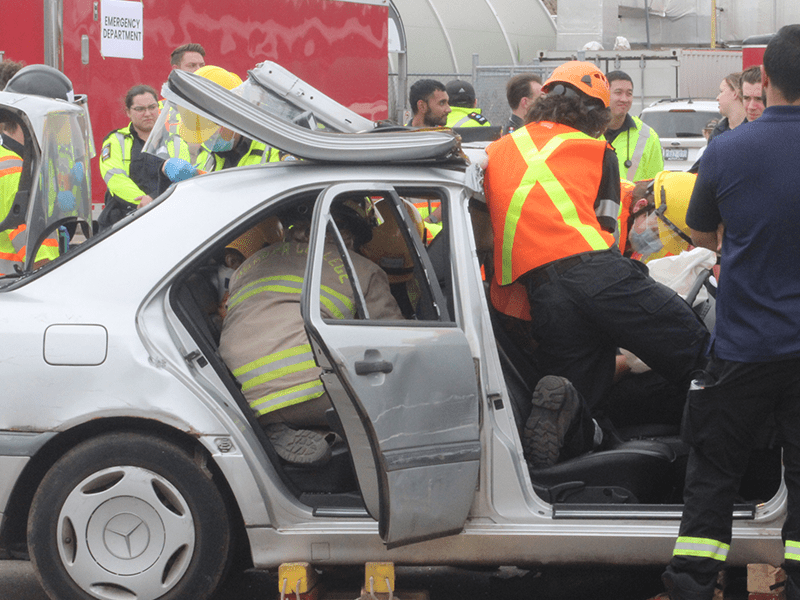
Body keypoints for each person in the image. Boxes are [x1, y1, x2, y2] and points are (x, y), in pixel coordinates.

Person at [483, 61, 708, 450]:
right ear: (595, 114)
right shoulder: (594, 149)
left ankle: (580, 443)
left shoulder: (496, 151)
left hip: (544, 297)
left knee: (583, 398)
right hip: (595, 274)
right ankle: (727, 451)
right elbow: (611, 222)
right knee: (698, 351)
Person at [662, 25, 800, 600]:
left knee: (715, 470)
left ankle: (694, 584)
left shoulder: (727, 148)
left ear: (762, 80)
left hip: (744, 346)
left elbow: (699, 230)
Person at [219, 199, 403, 466]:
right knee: (395, 400)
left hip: (241, 394)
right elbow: (396, 340)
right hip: (308, 391)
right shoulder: (361, 269)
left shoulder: (250, 263)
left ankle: (282, 429)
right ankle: (331, 438)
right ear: (349, 233)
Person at [98, 84, 189, 228]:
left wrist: (154, 198)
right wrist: (143, 202)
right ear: (128, 112)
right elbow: (115, 178)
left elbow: (183, 179)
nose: (147, 113)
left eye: (152, 107)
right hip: (123, 220)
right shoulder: (116, 140)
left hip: (165, 216)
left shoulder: (175, 141)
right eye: (140, 109)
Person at [603, 70, 664, 181]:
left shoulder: (647, 136)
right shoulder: (587, 132)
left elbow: (654, 184)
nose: (624, 99)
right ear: (604, 94)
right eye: (618, 92)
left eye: (629, 94)